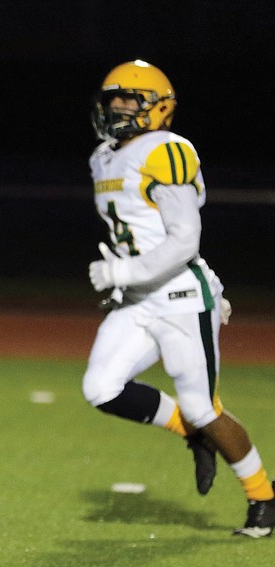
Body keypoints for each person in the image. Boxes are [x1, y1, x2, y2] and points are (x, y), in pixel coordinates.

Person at [83, 59, 275, 537]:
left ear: (160, 108)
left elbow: (184, 239)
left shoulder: (167, 150)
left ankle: (264, 498)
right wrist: (125, 277)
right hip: (138, 298)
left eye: (132, 100)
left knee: (203, 407)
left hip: (182, 296)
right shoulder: (103, 157)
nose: (121, 108)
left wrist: (121, 269)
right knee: (102, 388)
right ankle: (193, 436)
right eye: (115, 100)